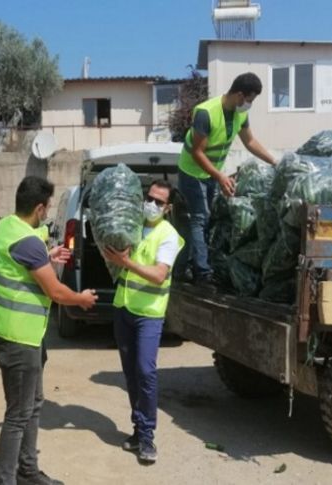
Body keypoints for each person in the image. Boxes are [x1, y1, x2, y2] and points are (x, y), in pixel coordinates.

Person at [0, 176, 98, 485]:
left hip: (17, 333)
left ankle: (27, 470)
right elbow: (56, 291)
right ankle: (9, 480)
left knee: (34, 404)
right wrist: (81, 299)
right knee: (18, 413)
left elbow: (26, 261)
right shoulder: (28, 241)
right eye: (48, 208)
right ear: (40, 208)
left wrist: (47, 256)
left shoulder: (8, 226)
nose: (48, 213)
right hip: (18, 337)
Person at [102, 180, 184, 464]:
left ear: (168, 208)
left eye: (159, 202)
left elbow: (160, 275)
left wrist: (127, 264)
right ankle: (138, 430)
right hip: (123, 308)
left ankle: (148, 437)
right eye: (149, 198)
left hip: (149, 314)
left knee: (145, 372)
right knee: (131, 375)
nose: (152, 204)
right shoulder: (132, 225)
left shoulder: (168, 235)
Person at [178, 72, 276, 285]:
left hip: (212, 172)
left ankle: (200, 263)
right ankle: (201, 272)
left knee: (208, 217)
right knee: (200, 218)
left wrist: (275, 162)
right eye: (250, 99)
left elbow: (250, 142)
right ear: (240, 95)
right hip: (192, 171)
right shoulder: (206, 112)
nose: (250, 104)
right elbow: (197, 152)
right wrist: (220, 176)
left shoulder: (240, 114)